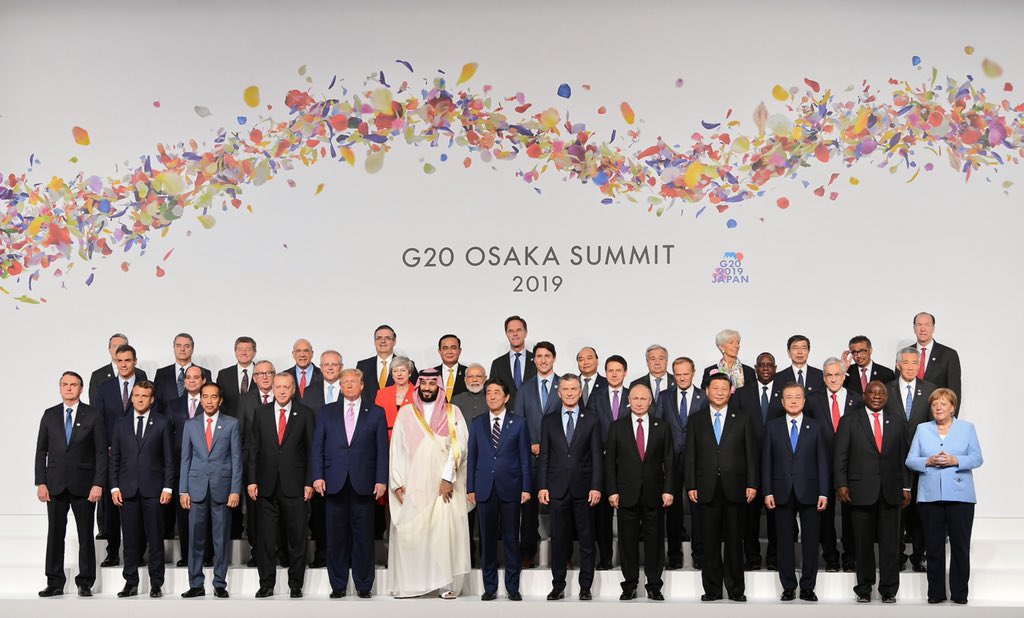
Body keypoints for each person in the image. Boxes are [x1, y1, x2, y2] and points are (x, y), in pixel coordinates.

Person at [387, 369, 470, 599]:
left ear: (439, 387)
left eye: (431, 384)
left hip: (443, 487)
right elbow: (396, 450)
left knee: (443, 535)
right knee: (412, 533)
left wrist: (447, 479)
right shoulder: (405, 413)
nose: (426, 388)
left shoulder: (453, 412)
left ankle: (446, 585)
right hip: (415, 486)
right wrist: (397, 483)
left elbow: (460, 448)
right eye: (422, 383)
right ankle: (412, 584)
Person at [311, 368, 389, 599]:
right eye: (344, 382)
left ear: (362, 385)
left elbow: (382, 449)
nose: (348, 386)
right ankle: (338, 585)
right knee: (336, 537)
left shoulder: (375, 412)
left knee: (364, 537)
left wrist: (381, 479)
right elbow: (318, 447)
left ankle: (364, 586)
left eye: (353, 382)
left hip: (364, 483)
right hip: (333, 483)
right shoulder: (326, 412)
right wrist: (317, 476)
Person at [834, 380, 910, 604]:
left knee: (890, 544)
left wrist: (906, 486)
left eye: (881, 393)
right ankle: (864, 588)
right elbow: (840, 456)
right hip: (859, 491)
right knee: (862, 544)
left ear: (886, 397)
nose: (877, 396)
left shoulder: (897, 421)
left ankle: (888, 590)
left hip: (891, 491)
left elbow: (903, 458)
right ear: (864, 395)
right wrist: (841, 484)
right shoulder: (849, 421)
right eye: (872, 392)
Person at [685, 373, 758, 602]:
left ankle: (736, 590)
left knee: (736, 541)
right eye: (714, 387)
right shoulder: (696, 419)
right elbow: (690, 456)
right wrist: (691, 485)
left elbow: (751, 455)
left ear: (730, 391)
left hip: (736, 487)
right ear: (707, 391)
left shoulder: (743, 418)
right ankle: (712, 590)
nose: (719, 392)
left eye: (723, 388)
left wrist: (752, 484)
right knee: (710, 542)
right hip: (706, 487)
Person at [906, 388, 982, 605]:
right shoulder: (922, 429)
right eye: (934, 404)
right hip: (930, 496)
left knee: (960, 546)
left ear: (952, 407)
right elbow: (911, 460)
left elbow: (977, 458)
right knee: (934, 546)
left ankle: (959, 594)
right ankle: (936, 594)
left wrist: (955, 460)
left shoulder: (967, 428)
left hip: (961, 497)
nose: (938, 407)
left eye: (943, 404)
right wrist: (927, 462)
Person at [35, 371, 106, 598]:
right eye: (65, 384)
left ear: (81, 389)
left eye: (73, 385)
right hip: (54, 484)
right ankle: (54, 581)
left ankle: (85, 582)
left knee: (85, 534)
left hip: (84, 485)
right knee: (55, 534)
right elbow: (41, 451)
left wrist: (98, 483)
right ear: (59, 388)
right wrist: (41, 482)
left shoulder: (93, 415)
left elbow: (101, 452)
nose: (68, 388)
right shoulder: (50, 415)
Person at [248, 373, 316, 598]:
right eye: (278, 387)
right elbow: (254, 449)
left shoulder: (305, 414)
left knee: (297, 538)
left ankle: (295, 584)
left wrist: (309, 482)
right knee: (266, 539)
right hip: (266, 486)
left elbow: (311, 452)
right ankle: (266, 584)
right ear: (273, 388)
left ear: (294, 389)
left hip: (295, 486)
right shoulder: (261, 413)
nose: (282, 391)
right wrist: (252, 480)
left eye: (287, 387)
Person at [604, 384, 673, 601]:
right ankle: (630, 585)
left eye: (644, 398)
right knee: (627, 541)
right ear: (629, 401)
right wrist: (612, 491)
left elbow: (669, 461)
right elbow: (610, 464)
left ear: (650, 401)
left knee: (654, 542)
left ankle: (654, 585)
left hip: (654, 493)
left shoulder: (662, 426)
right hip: (626, 494)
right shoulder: (617, 427)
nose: (639, 402)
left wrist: (668, 489)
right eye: (635, 398)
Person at [762, 384, 830, 602]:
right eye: (788, 397)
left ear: (804, 401)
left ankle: (808, 586)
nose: (793, 401)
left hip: (810, 491)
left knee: (811, 541)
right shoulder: (772, 427)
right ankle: (789, 586)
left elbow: (823, 462)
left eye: (797, 397)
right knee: (784, 541)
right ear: (782, 402)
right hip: (781, 491)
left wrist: (824, 492)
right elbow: (766, 462)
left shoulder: (816, 427)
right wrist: (767, 491)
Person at [538, 374, 602, 601]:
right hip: (556, 489)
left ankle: (586, 586)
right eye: (565, 389)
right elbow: (544, 456)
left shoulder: (591, 419)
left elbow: (596, 456)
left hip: (584, 489)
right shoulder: (549, 420)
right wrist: (542, 485)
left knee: (586, 539)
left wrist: (596, 486)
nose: (570, 392)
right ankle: (558, 585)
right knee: (558, 540)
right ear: (559, 392)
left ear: (580, 391)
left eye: (574, 388)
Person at [467, 378, 532, 601]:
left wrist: (526, 486)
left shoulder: (519, 423)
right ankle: (490, 587)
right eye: (488, 393)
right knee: (487, 539)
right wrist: (470, 487)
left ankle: (513, 587)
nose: (492, 396)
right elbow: (472, 458)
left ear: (506, 397)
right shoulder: (477, 423)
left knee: (512, 538)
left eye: (497, 392)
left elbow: (525, 458)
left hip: (511, 487)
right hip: (484, 488)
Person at [109, 381, 174, 598]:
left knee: (155, 538)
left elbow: (169, 459)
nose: (139, 399)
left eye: (144, 396)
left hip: (154, 489)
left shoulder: (163, 422)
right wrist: (114, 487)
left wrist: (168, 487)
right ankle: (131, 582)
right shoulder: (120, 423)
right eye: (136, 395)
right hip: (126, 490)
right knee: (129, 539)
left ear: (151, 399)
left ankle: (156, 583)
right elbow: (115, 458)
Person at [179, 383, 242, 598]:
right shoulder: (190, 424)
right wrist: (183, 490)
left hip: (222, 488)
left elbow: (236, 459)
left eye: (213, 397)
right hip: (195, 488)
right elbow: (185, 459)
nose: (208, 401)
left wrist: (235, 490)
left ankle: (219, 583)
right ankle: (195, 583)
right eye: (205, 396)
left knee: (220, 539)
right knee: (195, 538)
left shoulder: (232, 424)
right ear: (201, 399)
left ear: (220, 400)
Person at [807, 357, 863, 572]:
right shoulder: (812, 400)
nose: (833, 379)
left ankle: (850, 558)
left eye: (837, 374)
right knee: (825, 515)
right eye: (828, 375)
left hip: (850, 467)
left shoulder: (856, 399)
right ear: (823, 377)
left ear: (843, 375)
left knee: (851, 516)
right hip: (821, 466)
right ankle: (830, 557)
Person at [92, 343, 146, 567]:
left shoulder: (145, 385)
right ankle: (112, 552)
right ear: (115, 361)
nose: (124, 364)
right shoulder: (105, 388)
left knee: (139, 502)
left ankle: (139, 553)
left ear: (135, 361)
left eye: (128, 360)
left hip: (139, 453)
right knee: (113, 505)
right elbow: (99, 421)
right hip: (113, 454)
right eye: (120, 360)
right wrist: (105, 447)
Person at [886, 346, 936, 572]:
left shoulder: (930, 390)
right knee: (896, 511)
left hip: (921, 460)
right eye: (905, 362)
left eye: (914, 363)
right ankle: (897, 556)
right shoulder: (886, 390)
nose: (910, 367)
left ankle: (919, 555)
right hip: (893, 461)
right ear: (898, 365)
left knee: (920, 510)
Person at [732, 352, 782, 570]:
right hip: (748, 465)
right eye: (761, 365)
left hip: (778, 465)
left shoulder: (785, 393)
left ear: (775, 368)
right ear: (755, 367)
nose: (765, 368)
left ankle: (774, 558)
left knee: (776, 518)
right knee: (749, 518)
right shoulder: (742, 395)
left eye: (769, 365)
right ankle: (751, 558)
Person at [656, 356, 707, 569]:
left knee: (699, 510)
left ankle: (700, 555)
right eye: (678, 374)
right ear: (673, 374)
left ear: (693, 372)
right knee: (673, 511)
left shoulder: (703, 397)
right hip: (671, 460)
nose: (682, 378)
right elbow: (658, 426)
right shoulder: (665, 397)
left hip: (698, 461)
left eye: (686, 374)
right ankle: (674, 556)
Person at [513, 340, 560, 568]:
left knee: (560, 507)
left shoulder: (565, 385)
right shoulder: (525, 388)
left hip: (558, 458)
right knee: (529, 508)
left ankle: (564, 554)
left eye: (547, 356)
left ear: (554, 359)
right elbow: (518, 422)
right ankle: (527, 553)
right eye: (539, 356)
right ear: (534, 360)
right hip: (530, 457)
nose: (543, 360)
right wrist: (531, 444)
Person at [300, 350, 343, 568]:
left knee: (342, 513)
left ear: (341, 367)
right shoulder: (309, 391)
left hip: (344, 460)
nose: (329, 368)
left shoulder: (350, 388)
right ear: (320, 366)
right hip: (318, 459)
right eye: (326, 364)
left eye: (334, 364)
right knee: (319, 513)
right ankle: (322, 554)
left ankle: (343, 555)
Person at [586, 354, 630, 569]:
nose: (614, 374)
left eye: (618, 370)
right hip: (603, 462)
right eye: (610, 370)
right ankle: (605, 558)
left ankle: (626, 559)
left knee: (627, 514)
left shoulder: (634, 396)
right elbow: (592, 428)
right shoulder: (596, 397)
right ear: (605, 373)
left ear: (625, 373)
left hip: (629, 464)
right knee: (603, 516)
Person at [166, 366, 211, 567]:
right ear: (183, 382)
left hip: (205, 465)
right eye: (188, 378)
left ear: (203, 380)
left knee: (206, 512)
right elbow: (168, 436)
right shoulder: (173, 405)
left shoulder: (211, 402)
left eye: (196, 377)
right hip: (180, 465)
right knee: (183, 513)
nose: (192, 381)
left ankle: (207, 555)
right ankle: (187, 555)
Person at [237, 360, 275, 566]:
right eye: (260, 374)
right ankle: (256, 552)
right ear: (254, 378)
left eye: (269, 373)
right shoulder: (246, 400)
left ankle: (278, 551)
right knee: (253, 512)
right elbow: (240, 434)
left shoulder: (284, 395)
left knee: (277, 511)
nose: (265, 377)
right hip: (252, 465)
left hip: (279, 465)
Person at [451, 363, 488, 565]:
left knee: (485, 511)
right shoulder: (455, 401)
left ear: (485, 377)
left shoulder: (491, 398)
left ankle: (485, 556)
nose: (474, 380)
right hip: (462, 463)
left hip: (487, 463)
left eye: (478, 376)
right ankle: (467, 557)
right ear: (465, 380)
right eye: (470, 377)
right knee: (465, 512)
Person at [910, 312, 962, 412]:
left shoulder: (949, 355)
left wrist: (951, 421)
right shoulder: (905, 353)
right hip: (909, 415)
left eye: (927, 325)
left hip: (937, 415)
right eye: (919, 325)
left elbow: (954, 392)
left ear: (933, 328)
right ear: (914, 328)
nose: (923, 329)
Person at [357, 325, 412, 405]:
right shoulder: (362, 366)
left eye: (387, 338)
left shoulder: (406, 364)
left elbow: (414, 391)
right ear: (374, 341)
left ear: (394, 342)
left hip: (398, 413)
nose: (383, 341)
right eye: (379, 338)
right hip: (369, 414)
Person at [488, 315, 536, 406]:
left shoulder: (537, 360)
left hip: (533, 414)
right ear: (506, 334)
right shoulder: (498, 364)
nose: (515, 334)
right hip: (507, 415)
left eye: (519, 330)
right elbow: (493, 391)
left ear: (526, 333)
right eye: (511, 331)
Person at [88, 333, 146, 406]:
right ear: (109, 349)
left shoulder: (140, 374)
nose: (118, 349)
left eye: (121, 346)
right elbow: (94, 406)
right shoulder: (98, 375)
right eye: (114, 346)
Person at [154, 333, 212, 405]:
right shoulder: (161, 373)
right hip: (167, 415)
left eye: (186, 346)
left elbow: (209, 400)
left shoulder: (205, 373)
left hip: (195, 415)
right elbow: (156, 402)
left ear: (192, 349)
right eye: (178, 346)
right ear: (174, 348)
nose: (182, 349)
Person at [214, 336, 257, 419]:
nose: (243, 353)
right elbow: (219, 400)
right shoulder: (223, 374)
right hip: (229, 422)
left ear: (254, 352)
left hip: (255, 423)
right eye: (240, 349)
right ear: (235, 352)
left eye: (248, 349)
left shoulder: (263, 374)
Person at [374, 355, 416, 440]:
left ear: (410, 373)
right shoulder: (382, 394)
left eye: (403, 370)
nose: (399, 374)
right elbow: (376, 421)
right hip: (387, 439)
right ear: (392, 375)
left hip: (412, 439)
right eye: (395, 371)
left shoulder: (418, 393)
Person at [435, 334, 468, 401]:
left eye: (453, 348)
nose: (449, 352)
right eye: (445, 348)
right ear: (439, 351)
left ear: (460, 351)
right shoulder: (431, 374)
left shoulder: (468, 373)